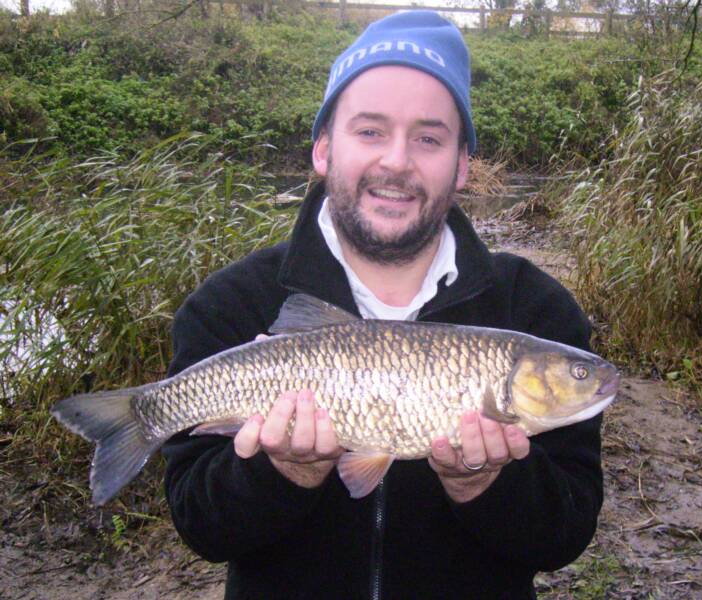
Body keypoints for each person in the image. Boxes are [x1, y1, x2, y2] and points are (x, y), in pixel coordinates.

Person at [163, 10, 603, 600]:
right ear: (323, 149)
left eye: (428, 138)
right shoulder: (228, 305)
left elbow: (565, 536)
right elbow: (201, 526)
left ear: (463, 164)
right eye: (370, 131)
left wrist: (487, 486)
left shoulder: (536, 311)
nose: (397, 161)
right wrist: (280, 474)